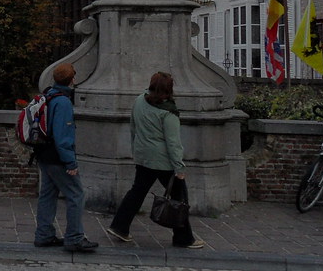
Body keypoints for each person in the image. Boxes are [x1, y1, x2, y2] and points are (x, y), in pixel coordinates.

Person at [107, 72, 205, 249]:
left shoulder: (139, 101)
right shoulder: (168, 113)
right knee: (179, 198)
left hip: (144, 156)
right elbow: (173, 143)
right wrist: (179, 167)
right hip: (163, 161)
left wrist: (135, 150)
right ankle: (183, 238)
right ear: (169, 90)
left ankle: (119, 226)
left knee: (137, 192)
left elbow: (133, 128)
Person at [32, 62, 98, 253]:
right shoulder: (63, 102)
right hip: (57, 157)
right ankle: (75, 237)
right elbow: (63, 136)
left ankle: (43, 235)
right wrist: (70, 162)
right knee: (76, 194)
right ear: (72, 79)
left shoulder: (48, 95)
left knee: (47, 195)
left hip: (43, 153)